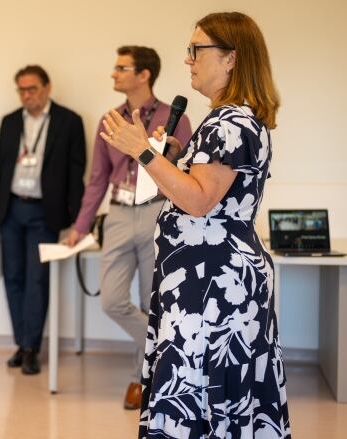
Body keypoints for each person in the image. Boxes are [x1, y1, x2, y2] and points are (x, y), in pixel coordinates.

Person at [100, 12, 290, 438]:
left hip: (213, 289)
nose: (188, 60)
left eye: (196, 50)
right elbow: (200, 190)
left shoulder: (232, 123)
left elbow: (199, 201)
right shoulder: (227, 119)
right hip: (204, 282)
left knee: (203, 400)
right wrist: (173, 158)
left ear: (230, 59)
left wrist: (142, 153)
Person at [65, 46, 192, 410]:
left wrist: (173, 154)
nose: (113, 74)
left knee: (152, 300)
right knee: (112, 300)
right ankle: (165, 352)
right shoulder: (109, 120)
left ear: (144, 74)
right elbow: (98, 178)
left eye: (121, 68)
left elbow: (187, 174)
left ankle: (143, 379)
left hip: (158, 212)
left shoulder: (175, 116)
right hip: (119, 214)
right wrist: (81, 225)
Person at [0, 65, 86, 375]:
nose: (27, 95)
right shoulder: (10, 121)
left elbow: (76, 172)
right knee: (12, 277)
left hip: (45, 212)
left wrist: (75, 219)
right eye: (22, 90)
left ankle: (32, 347)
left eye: (32, 89)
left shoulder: (69, 121)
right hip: (11, 209)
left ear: (47, 88)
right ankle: (21, 342)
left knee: (37, 281)